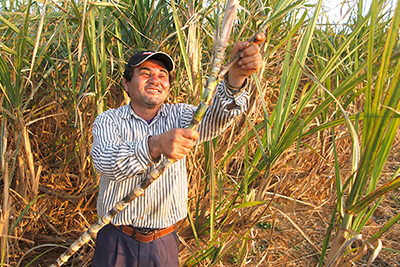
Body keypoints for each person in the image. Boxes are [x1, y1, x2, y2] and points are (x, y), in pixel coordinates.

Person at [90, 33, 266, 267]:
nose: (156, 79)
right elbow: (106, 163)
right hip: (116, 239)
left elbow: (219, 117)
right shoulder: (108, 120)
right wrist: (154, 146)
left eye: (162, 75)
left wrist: (235, 79)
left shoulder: (182, 116)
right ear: (126, 83)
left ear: (169, 86)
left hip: (163, 243)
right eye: (145, 73)